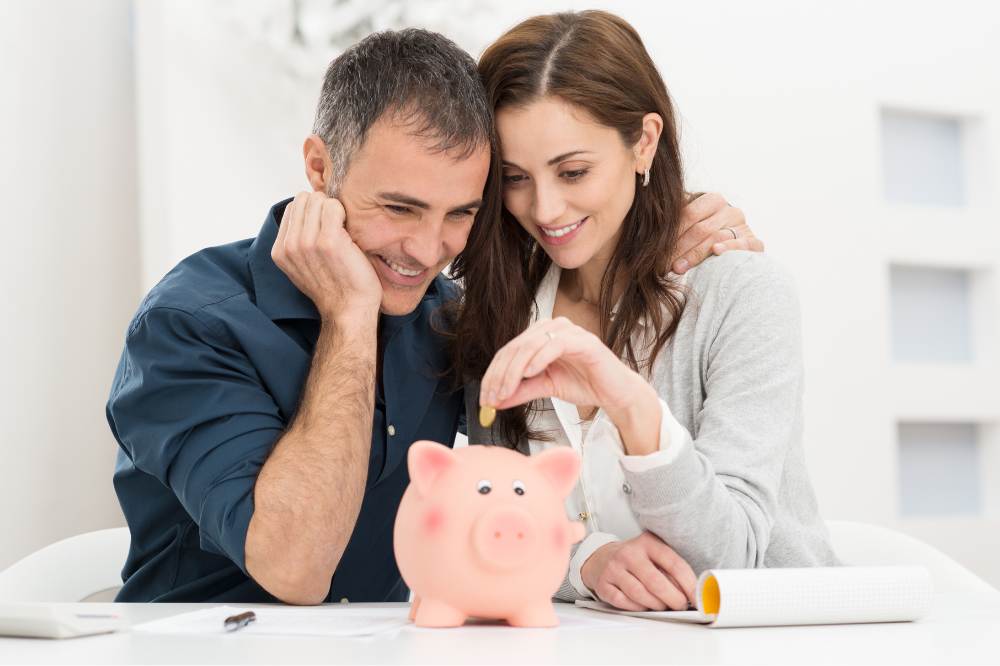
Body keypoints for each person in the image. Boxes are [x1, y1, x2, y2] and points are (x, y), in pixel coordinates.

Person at [107, 27, 751, 604]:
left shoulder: (453, 320)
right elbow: (294, 569)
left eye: (461, 214)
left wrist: (683, 231)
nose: (426, 250)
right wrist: (350, 317)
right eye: (399, 208)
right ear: (319, 168)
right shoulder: (191, 322)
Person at [451, 10, 839, 613]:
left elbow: (731, 559)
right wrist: (583, 559)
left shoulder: (741, 293)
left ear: (645, 141)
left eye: (574, 171)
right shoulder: (499, 312)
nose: (545, 208)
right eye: (515, 178)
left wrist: (632, 406)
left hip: (777, 641)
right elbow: (482, 522)